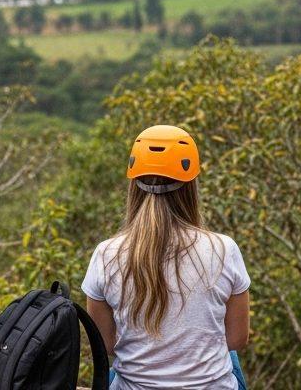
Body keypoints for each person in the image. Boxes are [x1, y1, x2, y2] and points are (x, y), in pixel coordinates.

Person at [82, 125, 251, 390]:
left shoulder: (106, 254)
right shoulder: (224, 249)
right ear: (191, 187)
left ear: (133, 185)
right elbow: (237, 338)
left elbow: (104, 345)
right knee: (230, 358)